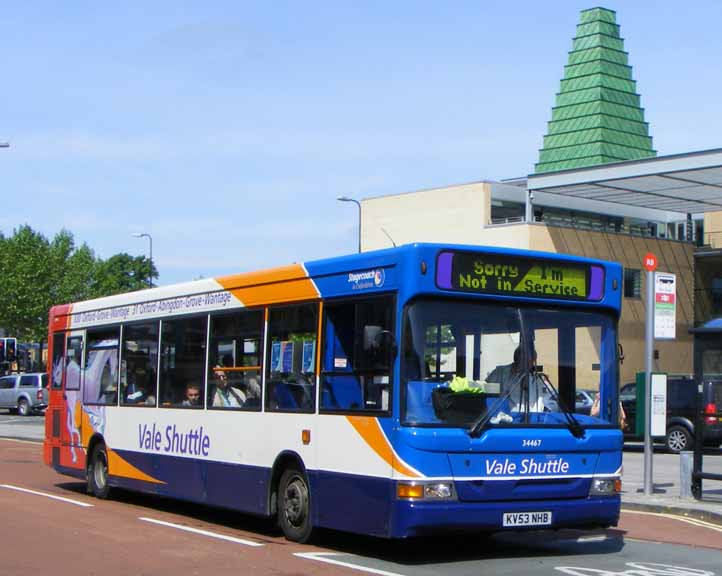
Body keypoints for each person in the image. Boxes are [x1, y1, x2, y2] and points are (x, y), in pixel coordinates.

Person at [487, 346, 545, 413]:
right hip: (501, 419)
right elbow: (484, 392)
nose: (528, 365)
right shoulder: (499, 373)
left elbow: (541, 403)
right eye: (524, 360)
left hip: (527, 420)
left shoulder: (536, 380)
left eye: (530, 361)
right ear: (516, 359)